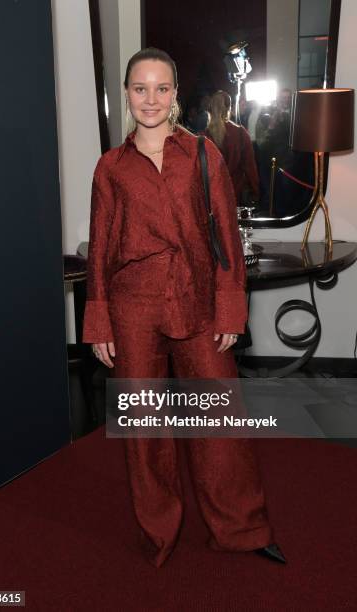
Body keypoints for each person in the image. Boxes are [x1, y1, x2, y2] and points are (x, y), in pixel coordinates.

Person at [82, 47, 286, 568]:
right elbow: (101, 247)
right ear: (127, 95)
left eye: (162, 88)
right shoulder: (110, 168)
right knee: (145, 427)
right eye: (140, 88)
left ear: (175, 95)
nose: (151, 99)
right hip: (133, 306)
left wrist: (229, 311)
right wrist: (100, 319)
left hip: (196, 299)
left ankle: (242, 528)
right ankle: (159, 533)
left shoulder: (205, 155)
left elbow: (225, 237)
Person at [205, 90, 259, 206]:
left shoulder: (203, 136)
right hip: (236, 192)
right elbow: (250, 166)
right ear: (229, 107)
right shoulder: (240, 133)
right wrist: (255, 190)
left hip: (212, 195)